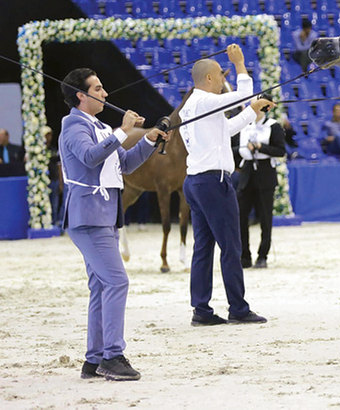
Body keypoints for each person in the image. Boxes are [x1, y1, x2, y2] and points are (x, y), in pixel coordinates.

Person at [59, 67, 168, 381]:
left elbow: (125, 164)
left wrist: (148, 139)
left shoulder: (101, 127)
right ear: (82, 95)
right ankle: (113, 356)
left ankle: (94, 360)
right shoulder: (72, 125)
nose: (105, 93)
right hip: (88, 217)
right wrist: (122, 131)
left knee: (101, 286)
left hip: (104, 217)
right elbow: (90, 157)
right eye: (98, 88)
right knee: (117, 282)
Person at [179, 44, 274, 326]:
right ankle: (238, 308)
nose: (224, 78)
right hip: (212, 181)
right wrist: (241, 64)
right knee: (231, 245)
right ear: (209, 78)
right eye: (221, 74)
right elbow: (242, 94)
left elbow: (226, 130)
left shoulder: (192, 106)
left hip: (195, 182)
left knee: (204, 248)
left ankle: (202, 310)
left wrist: (252, 112)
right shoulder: (206, 101)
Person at [237, 112, 286, 269]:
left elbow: (280, 151)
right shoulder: (245, 126)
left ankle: (262, 255)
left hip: (265, 172)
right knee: (241, 216)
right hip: (247, 172)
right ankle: (245, 255)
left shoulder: (273, 126)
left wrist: (260, 147)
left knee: (265, 217)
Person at [43, 126, 64, 226]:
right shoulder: (38, 151)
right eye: (47, 135)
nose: (48, 137)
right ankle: (46, 223)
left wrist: (61, 182)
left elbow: (59, 166)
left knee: (55, 204)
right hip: (43, 182)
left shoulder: (54, 149)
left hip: (54, 180)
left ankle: (55, 223)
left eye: (50, 135)